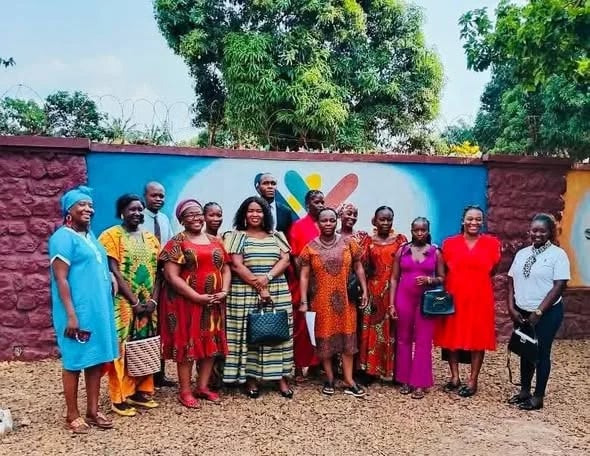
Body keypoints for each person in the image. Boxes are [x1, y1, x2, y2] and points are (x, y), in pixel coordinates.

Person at [49, 186, 118, 433]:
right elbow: (61, 279)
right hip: (77, 311)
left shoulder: (90, 236)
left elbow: (95, 265)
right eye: (82, 205)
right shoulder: (62, 238)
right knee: (74, 361)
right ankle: (72, 414)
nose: (88, 209)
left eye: (90, 205)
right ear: (69, 211)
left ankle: (92, 411)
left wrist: (110, 276)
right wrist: (71, 315)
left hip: (99, 310)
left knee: (96, 360)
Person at [159, 199, 230, 408]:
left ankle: (202, 386)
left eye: (198, 213)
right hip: (186, 302)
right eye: (190, 215)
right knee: (187, 344)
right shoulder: (177, 242)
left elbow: (226, 268)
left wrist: (224, 291)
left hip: (213, 301)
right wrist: (195, 296)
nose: (196, 218)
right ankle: (185, 391)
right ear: (181, 220)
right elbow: (171, 276)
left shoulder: (215, 240)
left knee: (210, 342)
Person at [224, 196, 294, 398]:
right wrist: (259, 286)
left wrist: (267, 278)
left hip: (277, 291)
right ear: (244, 214)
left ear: (266, 214)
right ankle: (251, 378)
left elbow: (285, 260)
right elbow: (236, 265)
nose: (255, 214)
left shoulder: (277, 235)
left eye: (259, 211)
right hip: (245, 292)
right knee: (250, 335)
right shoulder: (236, 236)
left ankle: (280, 377)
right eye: (250, 211)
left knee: (278, 333)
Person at [99, 194, 160, 416]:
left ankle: (140, 391)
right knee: (122, 346)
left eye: (140, 209)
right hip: (123, 303)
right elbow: (114, 270)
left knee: (144, 344)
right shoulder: (111, 236)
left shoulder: (151, 239)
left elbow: (159, 272)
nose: (137, 213)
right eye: (132, 209)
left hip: (147, 304)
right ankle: (119, 397)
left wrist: (153, 300)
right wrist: (134, 301)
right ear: (122, 212)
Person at [299, 207, 369, 397]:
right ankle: (329, 378)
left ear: (336, 221)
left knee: (348, 341)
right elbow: (304, 275)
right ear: (318, 223)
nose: (328, 224)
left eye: (332, 220)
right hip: (321, 301)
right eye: (324, 220)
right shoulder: (310, 247)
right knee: (325, 341)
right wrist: (304, 301)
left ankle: (348, 380)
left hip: (346, 301)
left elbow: (358, 267)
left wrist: (364, 290)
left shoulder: (349, 243)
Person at [434, 205, 501, 398]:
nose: (474, 222)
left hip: (480, 296)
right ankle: (454, 377)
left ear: (483, 222)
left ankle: (473, 380)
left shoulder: (492, 244)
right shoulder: (449, 243)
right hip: (454, 295)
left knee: (478, 337)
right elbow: (444, 270)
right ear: (463, 220)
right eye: (470, 218)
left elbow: (493, 270)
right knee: (451, 335)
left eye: (478, 219)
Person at [506, 213, 570, 411]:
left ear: (550, 232)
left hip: (547, 313)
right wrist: (511, 307)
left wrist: (539, 312)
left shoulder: (558, 255)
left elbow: (559, 286)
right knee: (525, 350)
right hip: (522, 312)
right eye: (534, 230)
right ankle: (524, 391)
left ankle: (538, 396)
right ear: (529, 231)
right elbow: (510, 280)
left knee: (541, 353)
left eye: (542, 231)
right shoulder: (522, 254)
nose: (537, 234)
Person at [391, 217, 443, 399]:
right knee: (403, 339)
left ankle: (420, 382)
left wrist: (430, 280)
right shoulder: (402, 250)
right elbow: (394, 278)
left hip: (426, 301)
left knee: (423, 341)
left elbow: (442, 278)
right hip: (403, 298)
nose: (419, 233)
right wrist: (391, 304)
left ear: (428, 231)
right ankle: (404, 379)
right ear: (411, 230)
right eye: (416, 230)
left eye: (423, 230)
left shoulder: (435, 252)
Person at [359, 206, 407, 382]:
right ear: (375, 220)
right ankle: (371, 371)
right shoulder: (367, 241)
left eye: (389, 219)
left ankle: (396, 372)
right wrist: (364, 291)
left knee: (394, 331)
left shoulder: (400, 241)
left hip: (395, 291)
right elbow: (362, 267)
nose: (386, 223)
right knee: (373, 331)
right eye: (382, 219)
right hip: (373, 292)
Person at [141, 181, 175, 388]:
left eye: (161, 196)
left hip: (162, 280)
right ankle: (143, 376)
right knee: (144, 327)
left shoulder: (163, 219)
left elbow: (169, 247)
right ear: (145, 196)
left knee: (160, 326)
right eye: (154, 195)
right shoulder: (137, 218)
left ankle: (159, 374)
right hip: (143, 280)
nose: (158, 199)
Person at [287, 190, 325, 378]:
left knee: (320, 325)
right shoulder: (299, 226)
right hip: (302, 282)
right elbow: (295, 257)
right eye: (316, 202)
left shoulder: (326, 224)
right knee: (300, 325)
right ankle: (297, 366)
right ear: (307, 204)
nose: (321, 205)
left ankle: (317, 365)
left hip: (324, 283)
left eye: (322, 202)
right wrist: (305, 282)